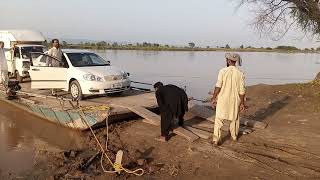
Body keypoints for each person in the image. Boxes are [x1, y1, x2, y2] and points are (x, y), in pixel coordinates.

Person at [210, 53, 246, 145]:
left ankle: (216, 139)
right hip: (235, 100)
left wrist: (214, 97)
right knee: (234, 119)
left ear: (228, 61)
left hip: (222, 99)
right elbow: (242, 91)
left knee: (218, 119)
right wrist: (242, 103)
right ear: (235, 62)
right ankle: (234, 137)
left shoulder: (222, 71)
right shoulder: (240, 73)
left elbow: (218, 86)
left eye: (227, 60)